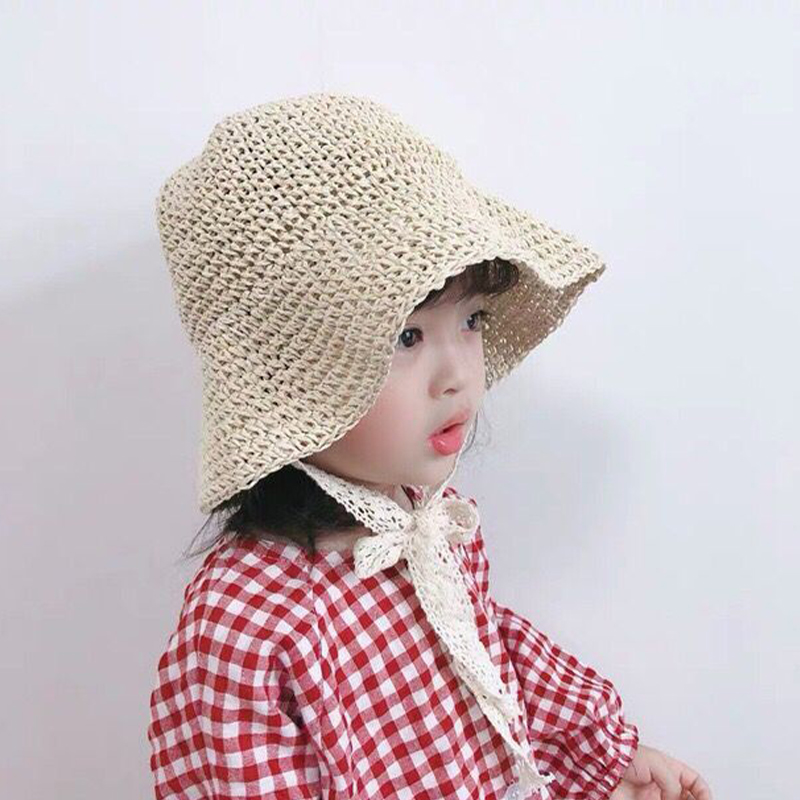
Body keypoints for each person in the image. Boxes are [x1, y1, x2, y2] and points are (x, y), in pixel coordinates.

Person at [147, 93, 713, 800]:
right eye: (407, 336)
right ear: (288, 380)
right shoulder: (249, 623)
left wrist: (604, 759)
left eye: (472, 321)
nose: (459, 375)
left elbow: (487, 660)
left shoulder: (431, 525)